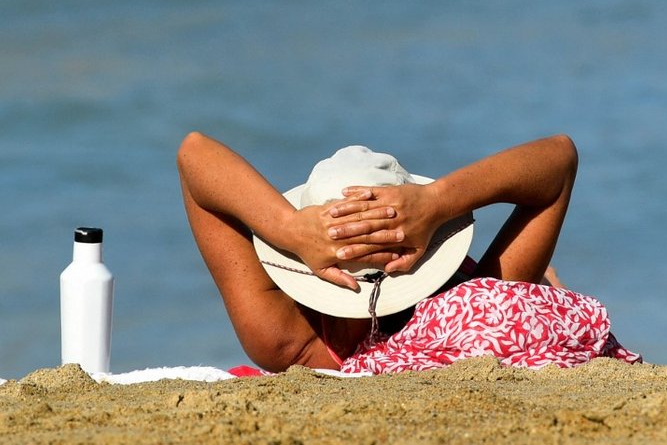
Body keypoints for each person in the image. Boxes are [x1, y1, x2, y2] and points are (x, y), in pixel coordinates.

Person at [177, 132, 588, 373]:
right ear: (424, 252)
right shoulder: (479, 306)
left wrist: (287, 227)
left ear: (309, 268)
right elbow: (559, 157)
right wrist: (436, 201)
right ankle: (548, 282)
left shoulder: (293, 343)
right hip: (475, 295)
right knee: (539, 283)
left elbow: (194, 154)